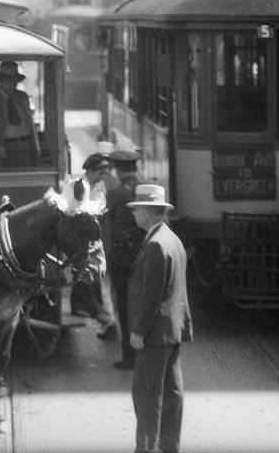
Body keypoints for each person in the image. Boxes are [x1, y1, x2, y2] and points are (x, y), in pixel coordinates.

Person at [127, 184, 193, 453]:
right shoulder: (172, 240)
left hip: (155, 333)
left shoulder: (155, 245)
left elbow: (151, 295)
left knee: (146, 395)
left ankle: (146, 448)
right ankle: (169, 446)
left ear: (148, 212)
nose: (134, 215)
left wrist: (138, 331)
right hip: (173, 330)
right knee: (172, 393)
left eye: (136, 210)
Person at [106, 149, 146, 370]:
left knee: (124, 305)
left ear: (118, 169)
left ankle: (129, 356)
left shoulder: (117, 193)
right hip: (145, 254)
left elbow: (109, 225)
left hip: (123, 258)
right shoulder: (146, 188)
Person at [70, 153, 116, 337]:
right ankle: (101, 315)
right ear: (90, 170)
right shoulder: (80, 187)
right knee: (89, 278)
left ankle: (93, 312)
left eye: (107, 170)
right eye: (101, 170)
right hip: (83, 240)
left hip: (96, 240)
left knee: (91, 279)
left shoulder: (99, 187)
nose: (105, 174)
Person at [0, 61, 40, 168]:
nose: (11, 82)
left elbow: (30, 123)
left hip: (25, 146)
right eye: (7, 79)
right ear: (1, 80)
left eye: (14, 79)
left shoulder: (22, 97)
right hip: (3, 147)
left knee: (26, 178)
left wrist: (35, 147)